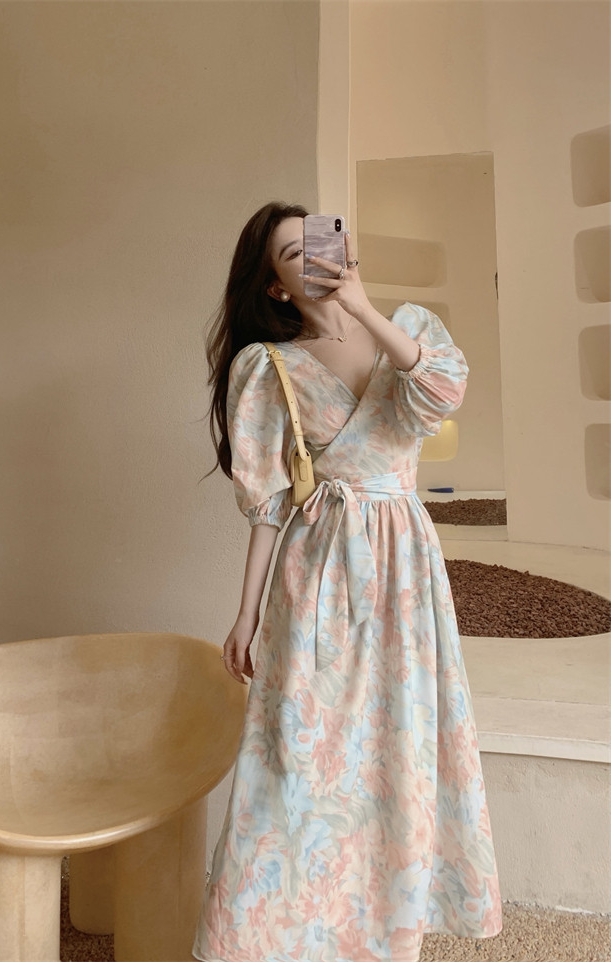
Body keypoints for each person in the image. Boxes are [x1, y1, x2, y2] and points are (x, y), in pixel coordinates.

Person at [192, 202, 503, 962]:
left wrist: (362, 307)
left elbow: (443, 395)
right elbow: (269, 504)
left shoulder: (408, 330)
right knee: (299, 756)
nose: (316, 259)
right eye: (293, 253)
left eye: (321, 241)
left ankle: (380, 934)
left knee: (397, 748)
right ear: (275, 286)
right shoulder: (268, 366)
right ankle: (270, 937)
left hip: (404, 571)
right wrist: (246, 613)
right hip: (319, 569)